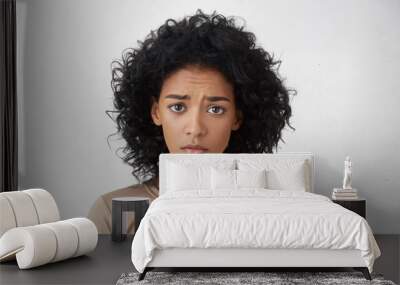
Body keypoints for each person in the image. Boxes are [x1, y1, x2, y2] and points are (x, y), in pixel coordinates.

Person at [88, 9, 295, 234]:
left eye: (216, 109)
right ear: (156, 112)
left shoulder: (268, 212)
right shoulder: (113, 211)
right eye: (177, 107)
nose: (195, 129)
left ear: (237, 117)